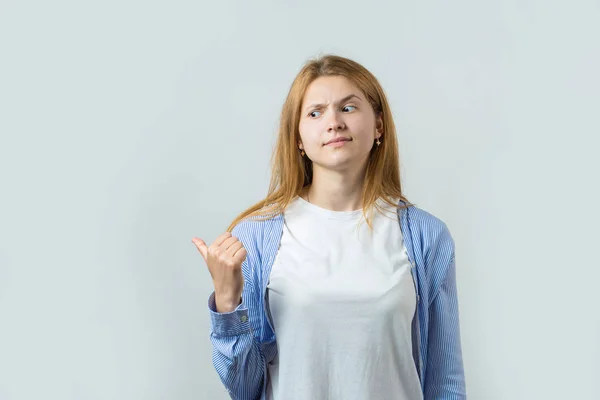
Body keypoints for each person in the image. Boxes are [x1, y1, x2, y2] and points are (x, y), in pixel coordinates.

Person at [192, 54, 466, 400]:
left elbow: (445, 381)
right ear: (299, 139)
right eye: (315, 112)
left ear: (379, 126)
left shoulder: (427, 237)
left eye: (348, 108)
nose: (333, 122)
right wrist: (228, 301)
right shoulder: (255, 238)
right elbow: (244, 387)